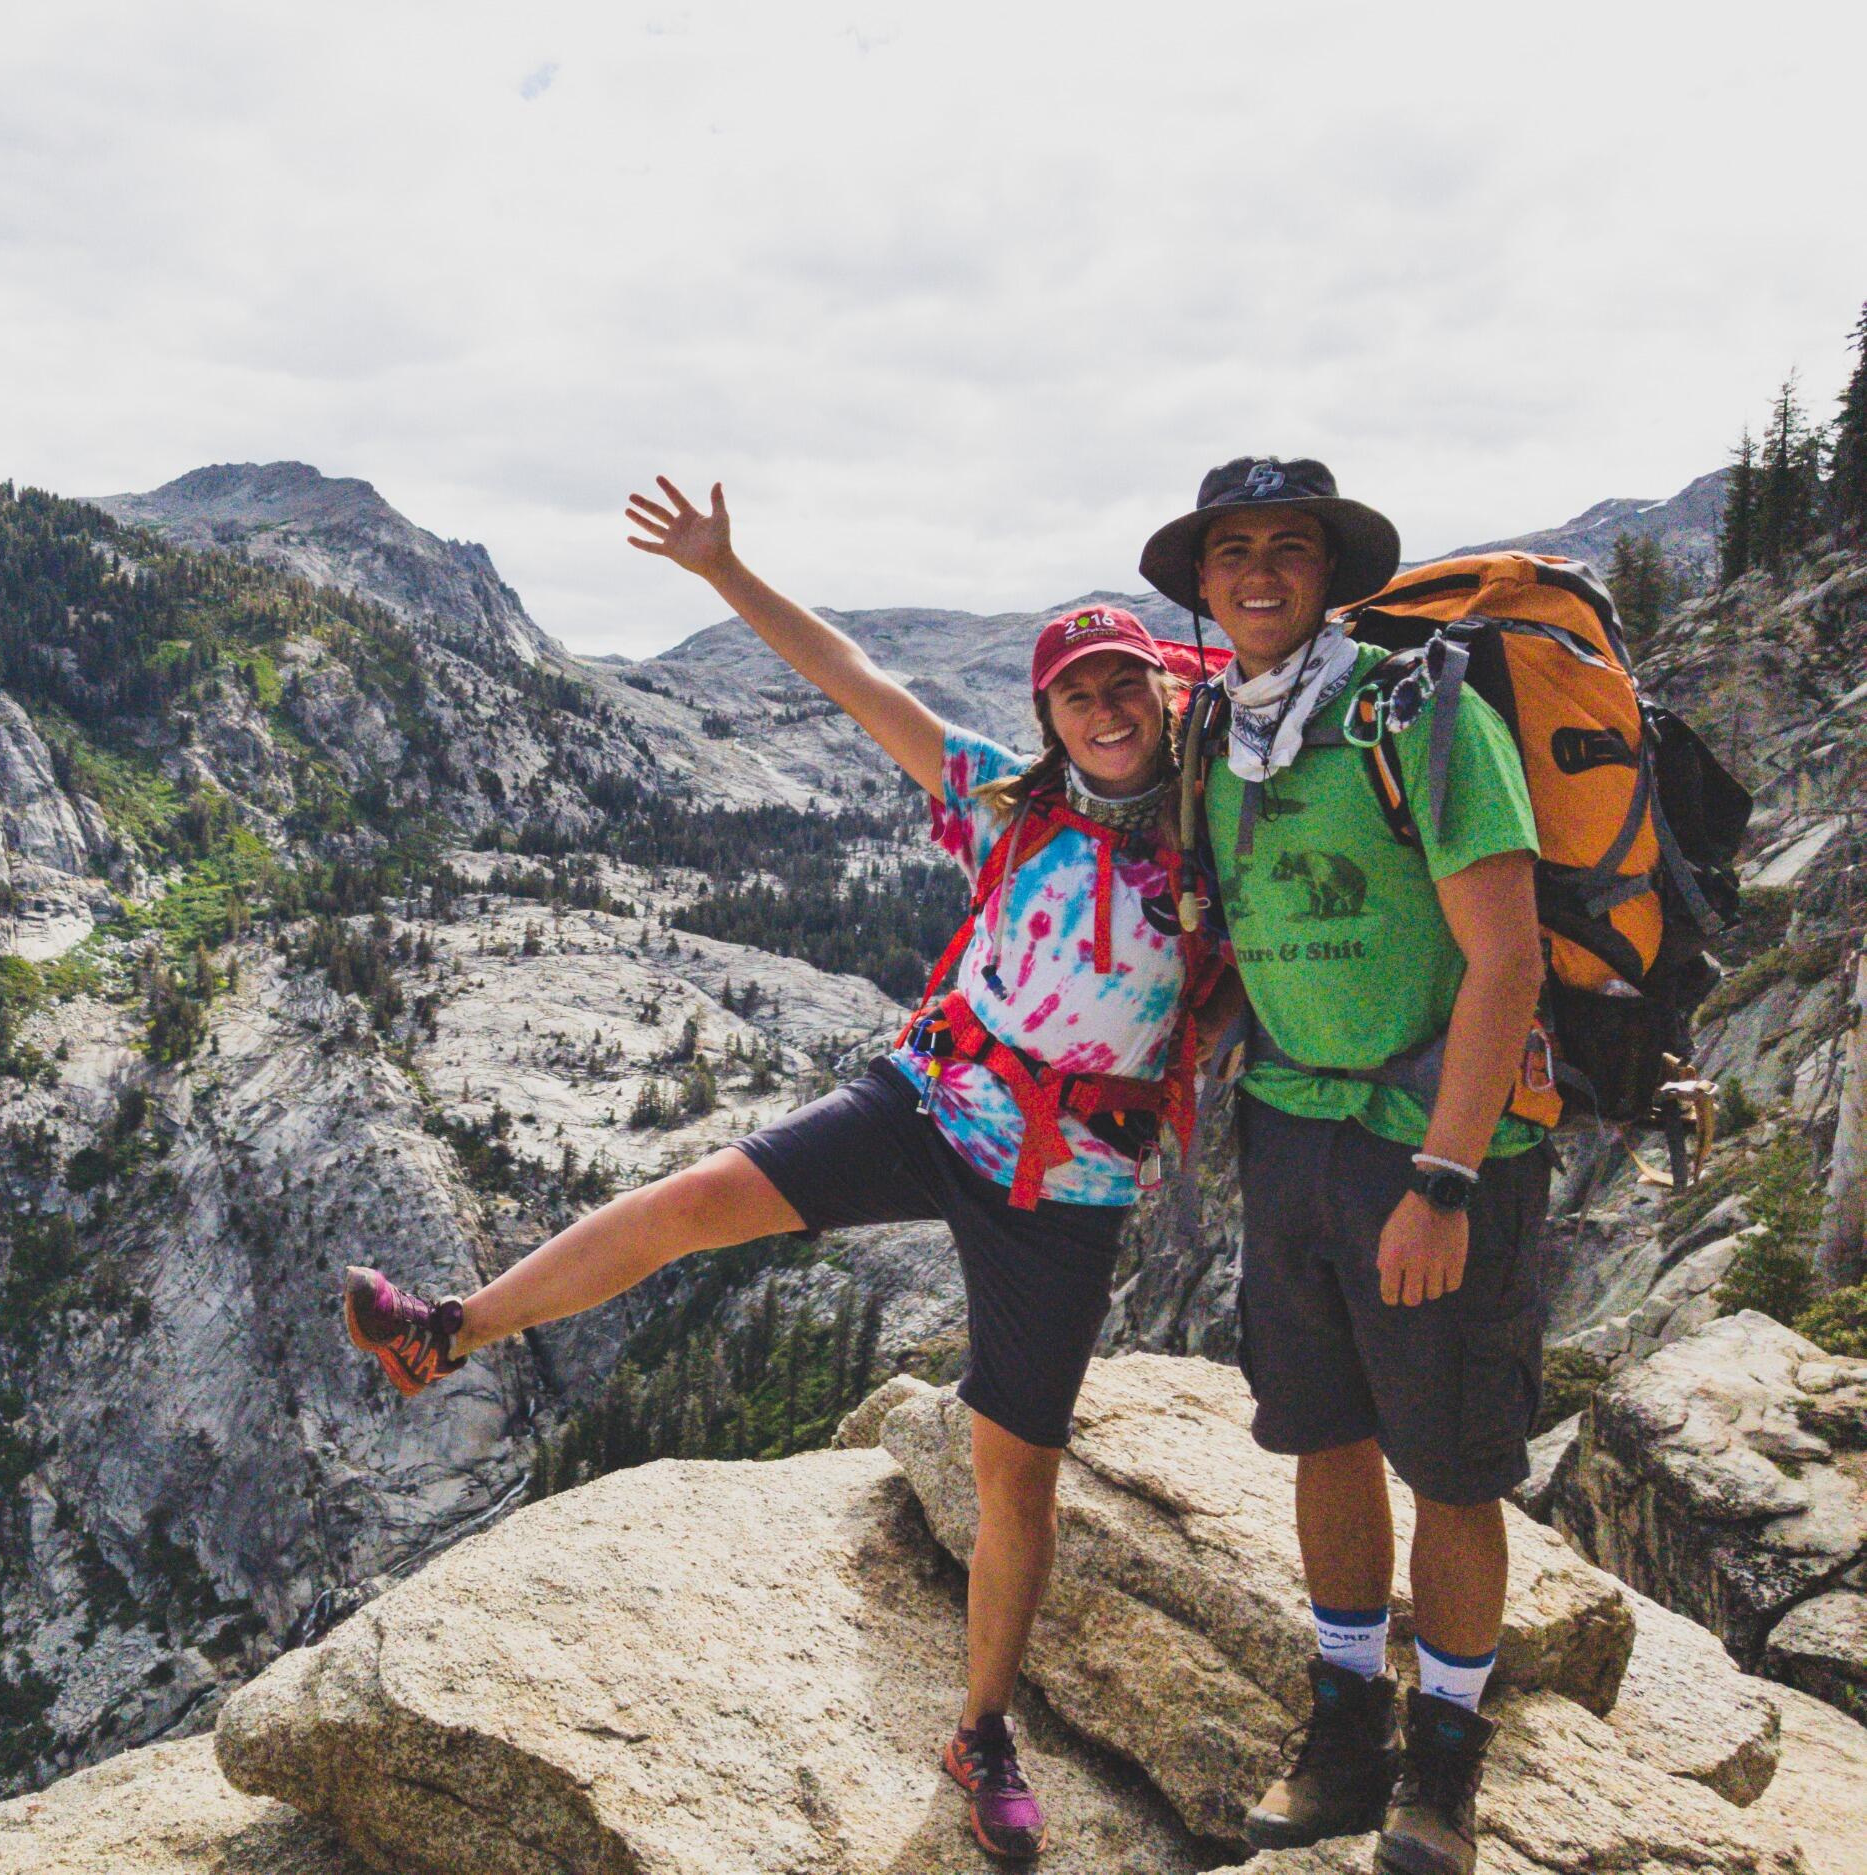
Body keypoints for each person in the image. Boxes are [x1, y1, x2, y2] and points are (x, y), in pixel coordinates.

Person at [344, 475, 1231, 1864]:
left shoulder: (1219, 846)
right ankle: (445, 1331)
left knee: (1019, 1474)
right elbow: (854, 677)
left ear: (1162, 698)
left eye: (1126, 689)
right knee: (691, 1205)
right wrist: (725, 572)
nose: (1108, 713)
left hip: (1063, 1186)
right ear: (1050, 718)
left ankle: (981, 1729)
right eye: (1080, 697)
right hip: (929, 1100)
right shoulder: (1009, 804)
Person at [1139, 457, 1551, 1875]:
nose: (1261, 573)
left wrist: (1446, 1179)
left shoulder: (1418, 710)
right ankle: (1342, 1723)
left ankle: (1444, 1756)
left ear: (1332, 570)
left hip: (1434, 1137)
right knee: (1320, 1429)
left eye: (1291, 548)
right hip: (1294, 1126)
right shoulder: (1216, 730)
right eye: (1233, 549)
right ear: (1201, 581)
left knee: (1449, 1457)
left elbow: (1509, 954)